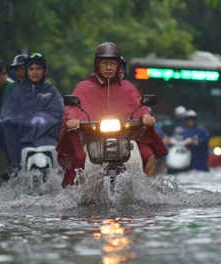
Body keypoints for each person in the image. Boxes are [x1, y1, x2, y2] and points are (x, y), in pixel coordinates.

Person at [56, 42, 167, 187]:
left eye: (112, 64)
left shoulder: (128, 87)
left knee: (148, 156)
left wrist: (146, 117)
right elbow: (72, 109)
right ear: (97, 65)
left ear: (118, 66)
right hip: (91, 138)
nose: (109, 67)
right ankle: (74, 193)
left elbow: (140, 107)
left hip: (126, 139)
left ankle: (148, 192)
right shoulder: (83, 87)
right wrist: (73, 120)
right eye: (105, 63)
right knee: (79, 157)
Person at [0, 52, 64, 174]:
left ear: (45, 71)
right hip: (23, 139)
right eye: (31, 69)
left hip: (47, 138)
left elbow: (59, 112)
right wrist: (11, 119)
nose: (35, 72)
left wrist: (44, 118)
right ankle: (15, 169)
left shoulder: (51, 90)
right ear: (27, 71)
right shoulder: (17, 91)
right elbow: (8, 112)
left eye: (38, 68)